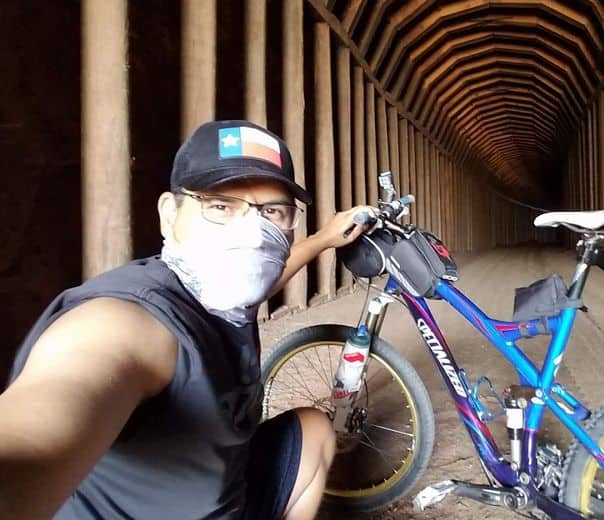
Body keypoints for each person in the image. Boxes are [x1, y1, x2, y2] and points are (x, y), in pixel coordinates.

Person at [0, 120, 372, 519]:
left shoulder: (224, 291)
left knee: (314, 429)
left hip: (227, 498)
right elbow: (45, 419)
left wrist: (325, 238)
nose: (251, 233)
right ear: (168, 213)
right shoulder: (128, 321)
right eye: (219, 206)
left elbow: (262, 278)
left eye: (273, 212)